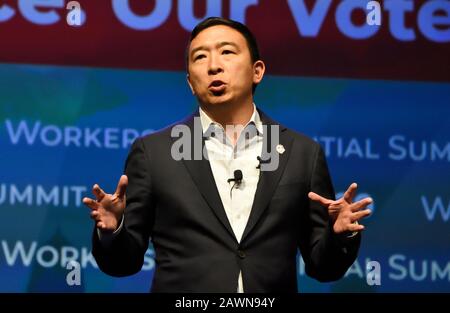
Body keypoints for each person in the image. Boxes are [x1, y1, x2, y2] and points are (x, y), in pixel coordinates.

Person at [83, 17, 372, 293]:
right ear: (190, 82)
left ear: (257, 71)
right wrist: (113, 229)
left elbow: (323, 267)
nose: (213, 66)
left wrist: (339, 234)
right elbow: (124, 263)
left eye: (227, 52)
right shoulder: (154, 152)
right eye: (200, 57)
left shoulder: (302, 154)